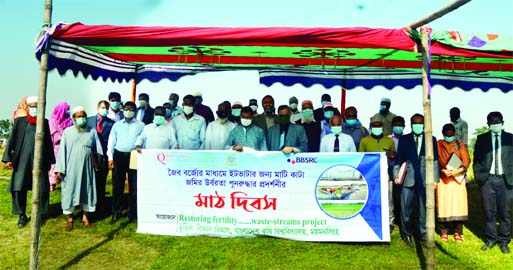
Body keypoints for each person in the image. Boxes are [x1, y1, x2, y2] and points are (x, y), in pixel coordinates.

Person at [2, 96, 55, 228]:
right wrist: (8, 158)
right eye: (32, 106)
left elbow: (49, 143)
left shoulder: (44, 122)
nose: (34, 109)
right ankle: (22, 214)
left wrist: (50, 161)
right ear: (27, 108)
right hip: (22, 160)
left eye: (37, 106)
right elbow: (12, 139)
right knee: (19, 187)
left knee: (42, 188)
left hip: (40, 162)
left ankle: (41, 214)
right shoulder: (20, 121)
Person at [394, 113, 439, 247]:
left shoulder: (431, 139)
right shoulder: (405, 139)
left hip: (425, 179)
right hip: (408, 178)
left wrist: (435, 179)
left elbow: (436, 161)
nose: (417, 125)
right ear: (411, 124)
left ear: (424, 124)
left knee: (423, 208)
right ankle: (406, 233)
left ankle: (423, 234)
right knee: (405, 207)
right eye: (415, 123)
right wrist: (396, 175)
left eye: (420, 123)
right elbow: (399, 159)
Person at [55, 106, 103, 231]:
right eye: (79, 116)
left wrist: (98, 164)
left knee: (87, 191)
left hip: (87, 168)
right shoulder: (67, 132)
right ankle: (70, 219)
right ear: (74, 118)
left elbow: (98, 150)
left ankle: (85, 218)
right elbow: (62, 152)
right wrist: (60, 169)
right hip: (71, 169)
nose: (82, 119)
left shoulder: (91, 131)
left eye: (83, 116)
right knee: (70, 191)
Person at [474, 111, 513, 254]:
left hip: (506, 180)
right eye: (492, 122)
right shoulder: (482, 139)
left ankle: (504, 241)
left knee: (505, 212)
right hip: (487, 180)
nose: (495, 124)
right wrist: (479, 177)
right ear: (488, 124)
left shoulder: (510, 138)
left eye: (498, 122)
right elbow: (476, 159)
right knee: (489, 211)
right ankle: (491, 239)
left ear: (502, 123)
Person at [107, 101, 145, 224]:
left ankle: (132, 214)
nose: (129, 111)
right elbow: (111, 142)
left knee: (134, 186)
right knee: (117, 186)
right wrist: (110, 158)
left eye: (131, 109)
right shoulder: (117, 125)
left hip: (133, 156)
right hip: (118, 156)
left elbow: (143, 141)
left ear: (135, 111)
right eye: (127, 109)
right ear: (123, 110)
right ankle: (116, 213)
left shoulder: (141, 125)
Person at [359, 115, 396, 231]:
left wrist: (392, 155)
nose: (377, 128)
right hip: (371, 175)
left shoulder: (389, 141)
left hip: (386, 174)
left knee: (388, 198)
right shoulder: (365, 141)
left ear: (382, 128)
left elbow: (394, 156)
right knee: (371, 198)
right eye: (374, 126)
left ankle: (390, 221)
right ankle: (372, 220)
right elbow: (361, 158)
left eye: (379, 126)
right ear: (371, 128)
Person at [436, 123, 470, 243]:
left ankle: (457, 232)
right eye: (446, 134)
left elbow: (466, 160)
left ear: (454, 134)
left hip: (458, 180)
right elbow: (435, 160)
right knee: (444, 206)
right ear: (443, 133)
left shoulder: (459, 144)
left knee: (459, 206)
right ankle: (444, 231)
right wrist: (442, 170)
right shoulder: (438, 144)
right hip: (443, 179)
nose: (449, 136)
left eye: (451, 134)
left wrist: (457, 171)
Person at [87, 100, 115, 211]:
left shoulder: (111, 123)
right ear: (98, 108)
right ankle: (88, 204)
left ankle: (100, 204)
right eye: (103, 107)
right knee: (89, 180)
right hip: (90, 154)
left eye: (106, 108)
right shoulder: (89, 120)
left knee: (101, 181)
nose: (105, 110)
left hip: (103, 156)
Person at [48, 102, 73, 191]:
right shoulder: (52, 121)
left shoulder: (69, 121)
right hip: (56, 147)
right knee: (54, 166)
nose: (68, 111)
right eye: (67, 109)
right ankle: (52, 183)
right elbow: (53, 134)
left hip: (68, 147)